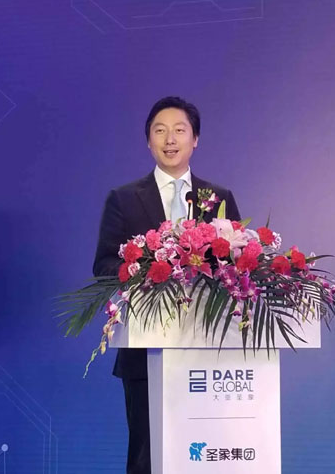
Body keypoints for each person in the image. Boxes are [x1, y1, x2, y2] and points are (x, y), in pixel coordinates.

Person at [93, 96, 241, 474]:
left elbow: (238, 266)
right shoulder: (123, 199)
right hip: (146, 355)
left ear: (196, 139)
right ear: (149, 141)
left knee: (207, 457)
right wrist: (147, 268)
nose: (170, 139)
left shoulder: (218, 198)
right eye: (160, 131)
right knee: (148, 457)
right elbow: (104, 265)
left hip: (209, 355)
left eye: (179, 130)